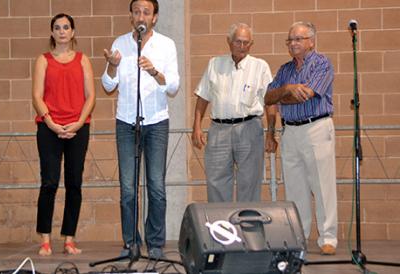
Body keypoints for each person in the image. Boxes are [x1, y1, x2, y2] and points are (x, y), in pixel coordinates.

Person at [101, 0, 179, 259]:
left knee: (156, 186)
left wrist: (154, 71)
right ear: (131, 16)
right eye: (136, 12)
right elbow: (108, 85)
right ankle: (131, 243)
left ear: (154, 17)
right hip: (126, 121)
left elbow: (173, 86)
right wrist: (112, 65)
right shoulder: (120, 43)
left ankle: (155, 243)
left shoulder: (166, 45)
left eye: (146, 12)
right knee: (128, 188)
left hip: (156, 121)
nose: (141, 16)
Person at [264, 21, 337, 255]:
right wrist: (287, 88)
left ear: (311, 42)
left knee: (322, 185)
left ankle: (328, 238)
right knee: (295, 187)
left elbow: (305, 97)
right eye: (290, 39)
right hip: (290, 131)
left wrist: (283, 95)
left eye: (298, 39)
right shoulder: (285, 70)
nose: (293, 43)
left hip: (316, 127)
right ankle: (299, 235)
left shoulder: (322, 63)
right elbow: (267, 97)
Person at [32, 13, 95, 256]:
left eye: (66, 27)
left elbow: (91, 96)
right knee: (49, 182)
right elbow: (37, 96)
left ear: (73, 32)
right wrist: (51, 123)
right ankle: (45, 240)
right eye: (57, 27)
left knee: (74, 184)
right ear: (52, 32)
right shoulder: (43, 60)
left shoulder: (83, 60)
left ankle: (69, 239)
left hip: (78, 128)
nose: (62, 31)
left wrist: (79, 123)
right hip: (49, 128)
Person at [192, 23, 273, 202]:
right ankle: (221, 228)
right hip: (218, 130)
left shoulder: (260, 67)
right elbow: (203, 97)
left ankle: (247, 228)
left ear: (251, 44)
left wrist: (271, 133)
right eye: (238, 42)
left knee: (250, 182)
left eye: (246, 42)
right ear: (229, 42)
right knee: (216, 182)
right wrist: (196, 127)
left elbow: (270, 102)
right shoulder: (215, 64)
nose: (242, 46)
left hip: (250, 128)